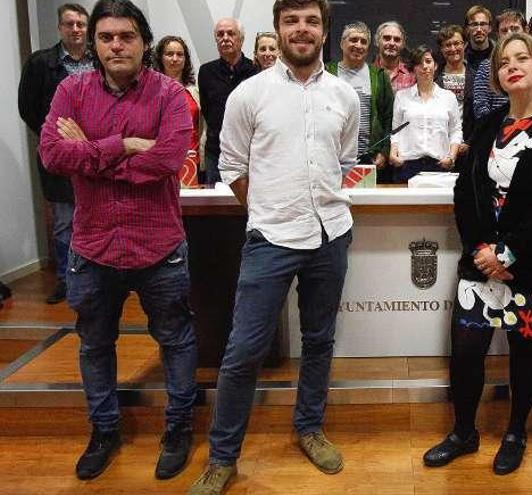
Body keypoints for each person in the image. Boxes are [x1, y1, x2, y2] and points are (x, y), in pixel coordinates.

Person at [187, 1, 360, 493]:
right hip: (269, 238)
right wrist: (267, 208)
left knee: (320, 340)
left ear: (324, 31)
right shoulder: (248, 94)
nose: (301, 30)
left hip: (330, 233)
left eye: (311, 21)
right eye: (291, 21)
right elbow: (233, 167)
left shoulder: (343, 96)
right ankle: (223, 458)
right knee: (243, 351)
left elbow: (343, 158)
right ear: (277, 30)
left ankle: (308, 427)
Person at [38, 0, 197, 482]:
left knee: (175, 338)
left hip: (158, 246)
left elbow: (168, 160)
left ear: (144, 41)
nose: (116, 45)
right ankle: (104, 429)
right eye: (106, 37)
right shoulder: (71, 89)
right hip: (93, 246)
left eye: (126, 36)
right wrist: (123, 145)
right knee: (93, 345)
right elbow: (50, 154)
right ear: (93, 43)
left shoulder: (169, 94)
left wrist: (88, 149)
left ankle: (179, 426)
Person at [422, 32, 532, 476]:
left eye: (521, 58)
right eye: (503, 62)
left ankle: (516, 432)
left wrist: (508, 253)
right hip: (480, 261)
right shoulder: (488, 123)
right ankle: (463, 432)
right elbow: (464, 190)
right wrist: (480, 248)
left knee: (524, 349)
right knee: (467, 347)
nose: (511, 66)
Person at [18, 3, 92, 305]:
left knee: (97, 214)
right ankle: (66, 279)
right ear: (60, 27)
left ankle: (100, 276)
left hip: (95, 151)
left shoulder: (99, 60)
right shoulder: (41, 63)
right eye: (69, 24)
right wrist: (54, 137)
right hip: (59, 156)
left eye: (81, 24)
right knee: (64, 219)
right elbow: (28, 107)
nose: (76, 29)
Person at [326, 21, 395, 182]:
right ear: (342, 43)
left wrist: (384, 152)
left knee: (366, 205)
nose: (359, 45)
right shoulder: (327, 72)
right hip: (333, 159)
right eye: (354, 40)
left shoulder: (379, 76)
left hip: (369, 159)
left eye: (364, 42)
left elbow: (388, 118)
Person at [198, 17, 260, 184]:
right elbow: (206, 110)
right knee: (216, 207)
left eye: (231, 33)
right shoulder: (206, 72)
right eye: (220, 34)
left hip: (249, 155)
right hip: (216, 153)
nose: (225, 38)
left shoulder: (256, 71)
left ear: (241, 39)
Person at [389, 45, 462, 183]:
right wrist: (393, 153)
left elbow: (455, 130)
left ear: (435, 66)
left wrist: (452, 157)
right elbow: (396, 130)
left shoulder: (448, 97)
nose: (424, 66)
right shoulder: (402, 96)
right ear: (413, 68)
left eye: (428, 61)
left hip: (439, 165)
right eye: (419, 62)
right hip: (407, 165)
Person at [156, 35, 203, 188]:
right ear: (161, 58)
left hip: (192, 162)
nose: (175, 58)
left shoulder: (195, 92)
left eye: (180, 54)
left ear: (185, 59)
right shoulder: (151, 91)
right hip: (162, 162)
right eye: (169, 54)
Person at [473, 9, 526, 119]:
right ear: (498, 35)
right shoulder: (487, 67)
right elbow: (480, 107)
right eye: (504, 30)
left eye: (515, 29)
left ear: (526, 30)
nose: (510, 34)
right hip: (497, 132)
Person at [435, 24, 475, 169]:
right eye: (447, 45)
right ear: (441, 49)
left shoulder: (476, 77)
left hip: (468, 150)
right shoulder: (433, 77)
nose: (453, 49)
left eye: (457, 43)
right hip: (439, 150)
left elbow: (480, 116)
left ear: (464, 45)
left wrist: (469, 142)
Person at [374, 21, 416, 92]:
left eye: (397, 40)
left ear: (403, 44)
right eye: (387, 38)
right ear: (377, 41)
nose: (392, 43)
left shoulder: (412, 75)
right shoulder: (366, 73)